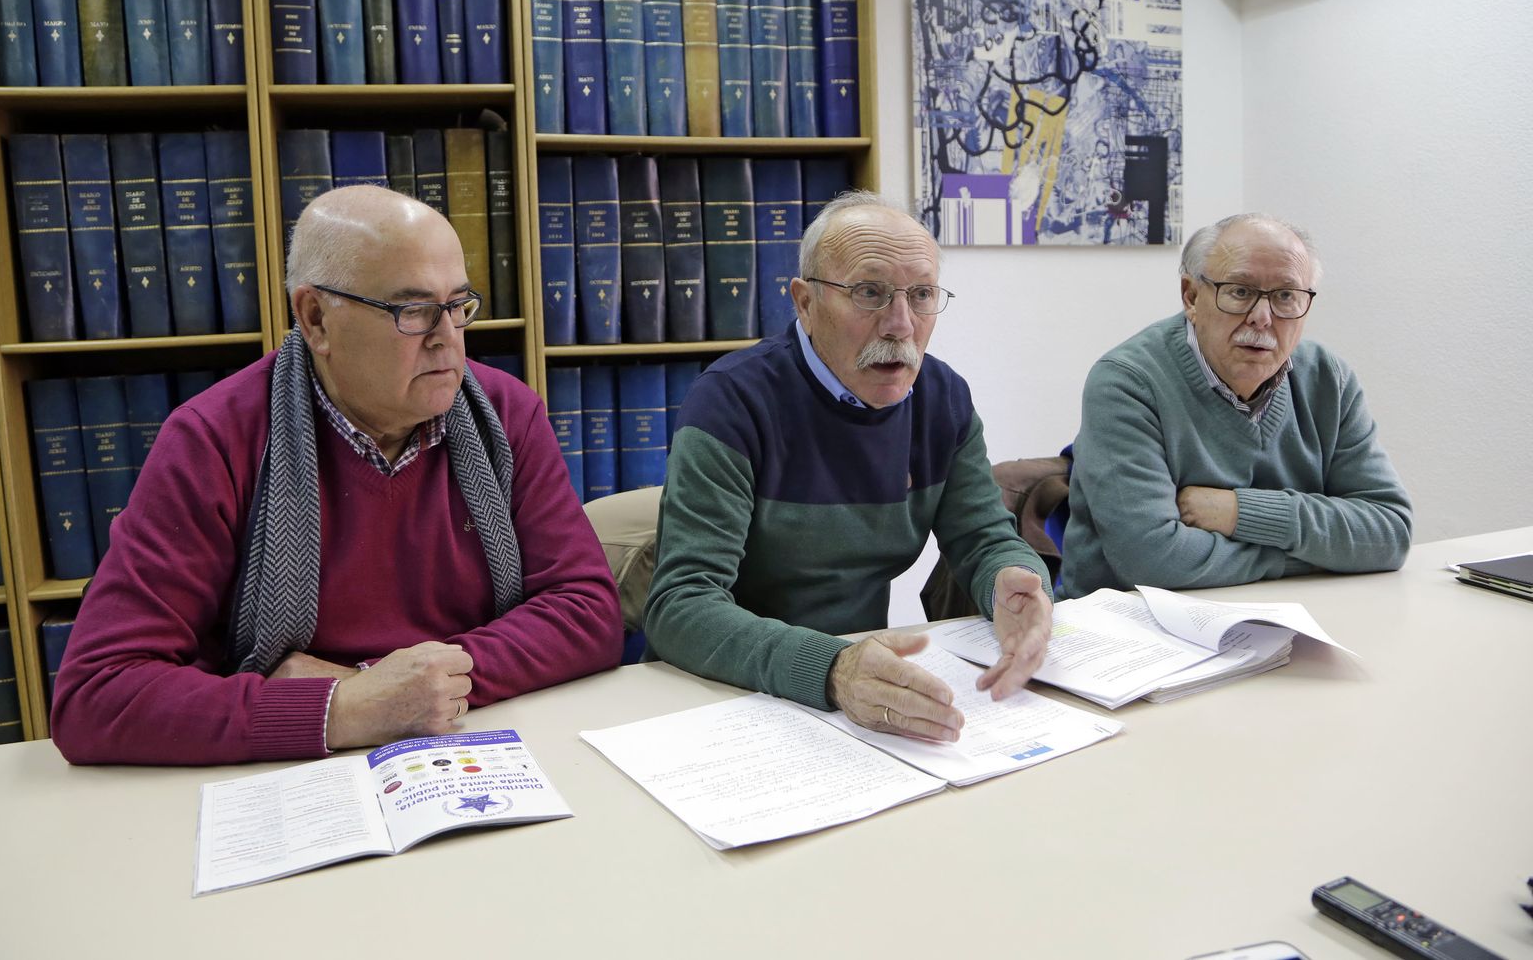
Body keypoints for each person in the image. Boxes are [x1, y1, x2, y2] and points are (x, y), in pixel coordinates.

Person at [52, 185, 622, 765]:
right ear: (316, 318)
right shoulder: (212, 440)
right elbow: (97, 694)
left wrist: (391, 686)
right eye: (413, 310)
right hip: (290, 765)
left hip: (468, 743)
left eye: (458, 305)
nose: (447, 337)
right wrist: (342, 709)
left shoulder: (504, 413)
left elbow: (588, 611)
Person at [645, 191, 1053, 743]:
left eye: (923, 295)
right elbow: (682, 604)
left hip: (859, 701)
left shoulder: (942, 397)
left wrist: (1012, 581)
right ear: (805, 302)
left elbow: (982, 539)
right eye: (869, 293)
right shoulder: (733, 401)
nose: (901, 324)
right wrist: (832, 669)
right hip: (727, 695)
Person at [1061, 212, 1412, 598]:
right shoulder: (1127, 381)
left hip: (1288, 617)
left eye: (1285, 296)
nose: (1262, 318)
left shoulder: (1329, 379)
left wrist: (1240, 512)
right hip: (1133, 631)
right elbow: (1151, 560)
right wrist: (1313, 559)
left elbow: (1389, 532)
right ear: (1191, 297)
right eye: (1240, 291)